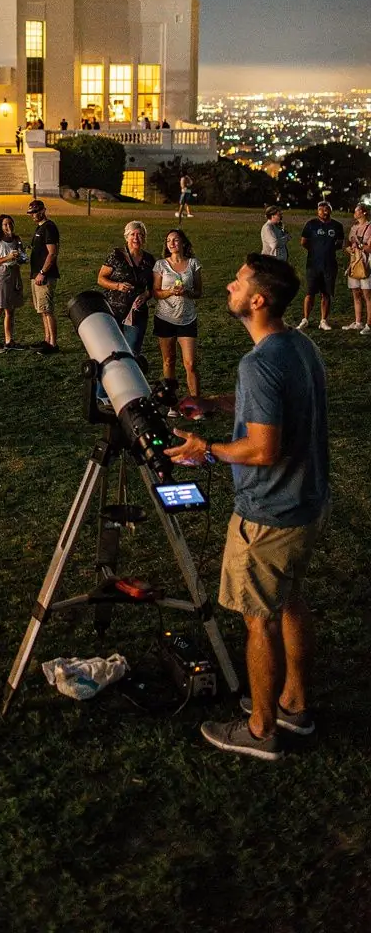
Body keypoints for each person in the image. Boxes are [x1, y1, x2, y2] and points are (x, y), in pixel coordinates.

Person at [169, 254, 329, 762]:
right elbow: (278, 404)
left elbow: (262, 450)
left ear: (257, 300)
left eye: (238, 283)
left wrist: (207, 449)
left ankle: (261, 729)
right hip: (306, 504)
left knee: (258, 619)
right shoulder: (298, 345)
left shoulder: (258, 363)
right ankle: (294, 704)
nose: (228, 287)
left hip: (268, 513)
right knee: (289, 601)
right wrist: (216, 405)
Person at [152, 228, 203, 404]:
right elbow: (156, 293)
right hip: (165, 319)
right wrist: (170, 292)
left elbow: (198, 292)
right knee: (169, 360)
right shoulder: (160, 265)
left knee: (190, 364)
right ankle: (171, 403)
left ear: (183, 243)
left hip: (187, 319)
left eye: (175, 240)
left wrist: (186, 292)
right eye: (168, 241)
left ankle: (196, 404)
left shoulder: (193, 264)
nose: (171, 243)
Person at [96, 220, 155, 363]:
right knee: (111, 351)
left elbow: (154, 287)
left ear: (144, 238)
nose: (136, 238)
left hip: (136, 313)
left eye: (140, 235)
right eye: (132, 234)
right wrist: (117, 286)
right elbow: (101, 279)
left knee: (132, 351)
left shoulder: (149, 260)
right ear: (126, 237)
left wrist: (145, 295)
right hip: (113, 310)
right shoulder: (116, 255)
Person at [297, 201, 344, 331]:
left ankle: (323, 321)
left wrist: (327, 250)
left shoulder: (337, 226)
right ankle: (305, 319)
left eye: (326, 208)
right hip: (313, 264)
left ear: (330, 210)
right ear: (317, 211)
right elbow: (304, 242)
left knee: (326, 293)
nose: (324, 211)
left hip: (329, 264)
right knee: (310, 292)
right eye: (321, 209)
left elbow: (339, 244)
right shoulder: (311, 224)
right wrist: (315, 251)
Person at [0, 215, 24, 352]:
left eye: (10, 223)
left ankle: (9, 341)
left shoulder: (17, 239)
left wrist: (22, 258)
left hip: (14, 273)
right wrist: (7, 257)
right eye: (5, 224)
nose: (9, 227)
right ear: (0, 227)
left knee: (10, 310)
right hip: (1, 275)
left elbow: (21, 256)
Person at [27, 199, 60, 354]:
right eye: (31, 212)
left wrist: (43, 272)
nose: (33, 215)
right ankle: (46, 340)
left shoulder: (49, 227)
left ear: (43, 210)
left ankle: (53, 344)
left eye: (35, 212)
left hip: (45, 276)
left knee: (47, 310)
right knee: (42, 310)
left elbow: (52, 253)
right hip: (36, 275)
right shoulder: (39, 228)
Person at [343, 202, 371, 333]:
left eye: (357, 210)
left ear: (364, 212)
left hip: (366, 263)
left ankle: (369, 325)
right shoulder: (354, 227)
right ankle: (358, 322)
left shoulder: (369, 227)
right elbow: (349, 243)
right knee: (356, 293)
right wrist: (349, 248)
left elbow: (369, 248)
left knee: (367, 295)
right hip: (354, 262)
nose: (354, 213)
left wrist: (359, 245)